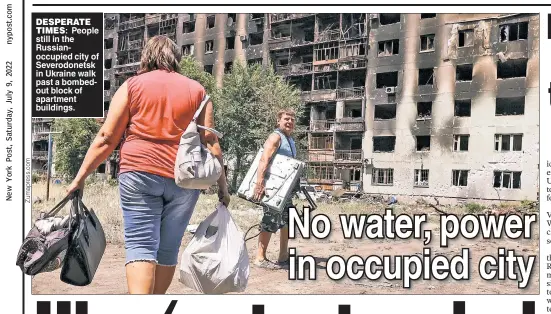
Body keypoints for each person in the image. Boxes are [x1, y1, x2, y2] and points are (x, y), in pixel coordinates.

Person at [66, 35, 230, 294]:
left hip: (139, 174)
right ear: (176, 59)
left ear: (146, 57)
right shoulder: (198, 91)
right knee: (168, 247)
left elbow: (107, 137)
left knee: (141, 245)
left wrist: (80, 177)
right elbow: (210, 142)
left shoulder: (132, 86)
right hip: (184, 180)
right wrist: (223, 187)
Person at [252, 109, 297, 269]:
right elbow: (264, 159)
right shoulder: (275, 136)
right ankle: (260, 258)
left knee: (288, 221)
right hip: (273, 189)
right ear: (278, 121)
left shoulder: (289, 140)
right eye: (286, 119)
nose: (290, 122)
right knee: (270, 220)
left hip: (286, 190)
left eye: (292, 119)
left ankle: (283, 256)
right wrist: (260, 182)